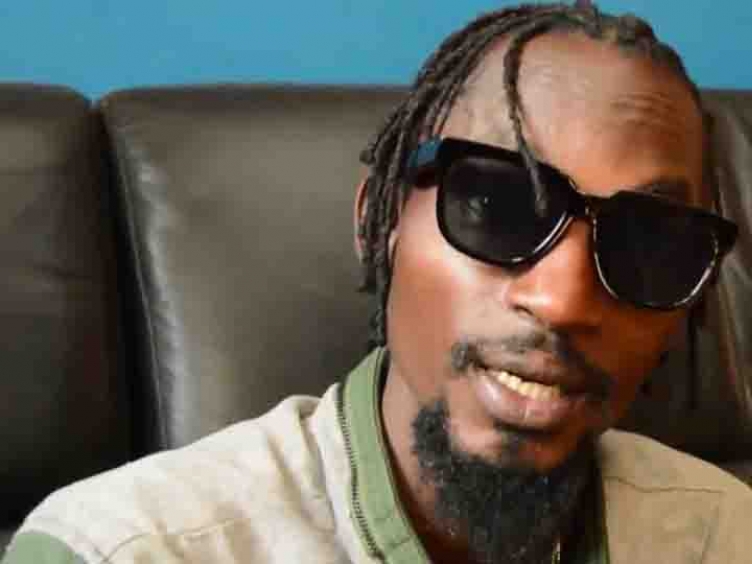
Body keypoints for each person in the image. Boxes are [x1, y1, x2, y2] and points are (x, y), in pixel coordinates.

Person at [3, 2, 750, 563]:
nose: (562, 299)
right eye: (496, 205)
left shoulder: (726, 535)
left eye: (650, 242)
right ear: (379, 222)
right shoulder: (128, 549)